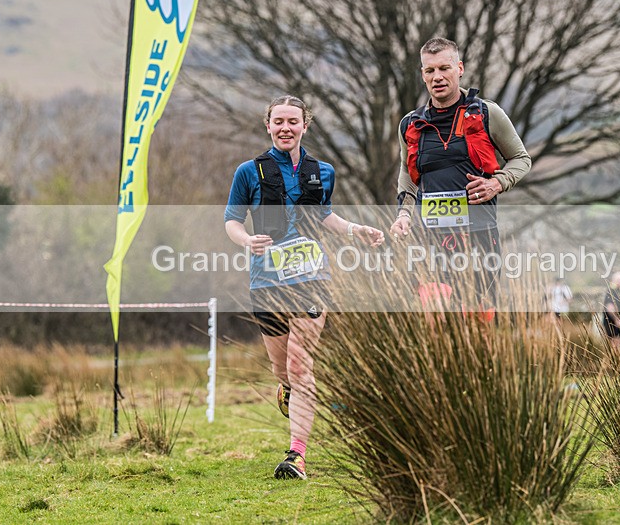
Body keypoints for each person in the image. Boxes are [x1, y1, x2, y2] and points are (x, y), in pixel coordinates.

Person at [225, 95, 384, 480]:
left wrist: (355, 230)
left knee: (300, 362)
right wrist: (246, 240)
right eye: (278, 121)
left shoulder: (323, 171)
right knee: (283, 370)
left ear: (304, 125)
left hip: (313, 278)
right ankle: (286, 388)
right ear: (268, 125)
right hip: (266, 281)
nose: (285, 128)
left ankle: (296, 454)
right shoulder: (249, 171)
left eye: (292, 121)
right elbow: (231, 220)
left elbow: (324, 215)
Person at [388, 37, 532, 315]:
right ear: (423, 74)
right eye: (430, 71)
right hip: (429, 237)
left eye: (444, 68)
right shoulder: (409, 124)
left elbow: (521, 159)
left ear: (460, 68)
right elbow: (407, 173)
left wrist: (497, 182)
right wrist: (404, 214)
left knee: (478, 324)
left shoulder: (488, 113)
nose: (437, 77)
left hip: (480, 237)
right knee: (437, 316)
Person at [602, 271, 620, 350]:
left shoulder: (617, 291)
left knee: (617, 345)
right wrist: (617, 319)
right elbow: (609, 307)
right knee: (615, 346)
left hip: (615, 321)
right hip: (612, 322)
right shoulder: (611, 291)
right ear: (619, 281)